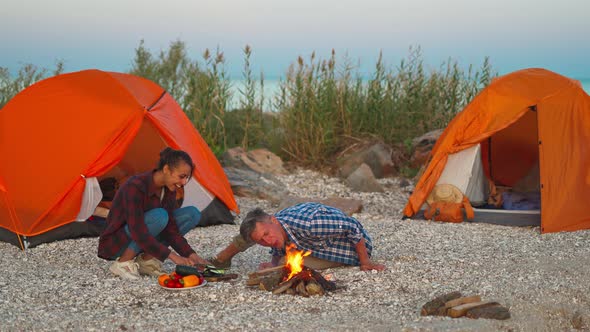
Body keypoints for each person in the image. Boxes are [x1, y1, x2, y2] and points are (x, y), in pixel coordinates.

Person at [98, 147, 209, 280]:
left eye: (187, 178)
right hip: (116, 244)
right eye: (182, 176)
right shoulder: (135, 186)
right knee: (160, 216)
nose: (184, 182)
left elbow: (171, 229)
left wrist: (191, 254)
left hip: (142, 241)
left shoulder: (169, 190)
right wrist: (172, 256)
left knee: (192, 214)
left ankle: (146, 260)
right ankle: (123, 263)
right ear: (167, 169)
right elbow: (137, 230)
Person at [212, 202, 385, 271]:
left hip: (350, 249)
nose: (267, 241)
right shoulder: (275, 225)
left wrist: (365, 262)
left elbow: (353, 226)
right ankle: (220, 261)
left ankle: (219, 261)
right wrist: (271, 263)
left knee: (284, 265)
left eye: (266, 234)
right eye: (261, 241)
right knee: (275, 256)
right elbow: (274, 241)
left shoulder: (311, 225)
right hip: (315, 244)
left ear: (273, 220)